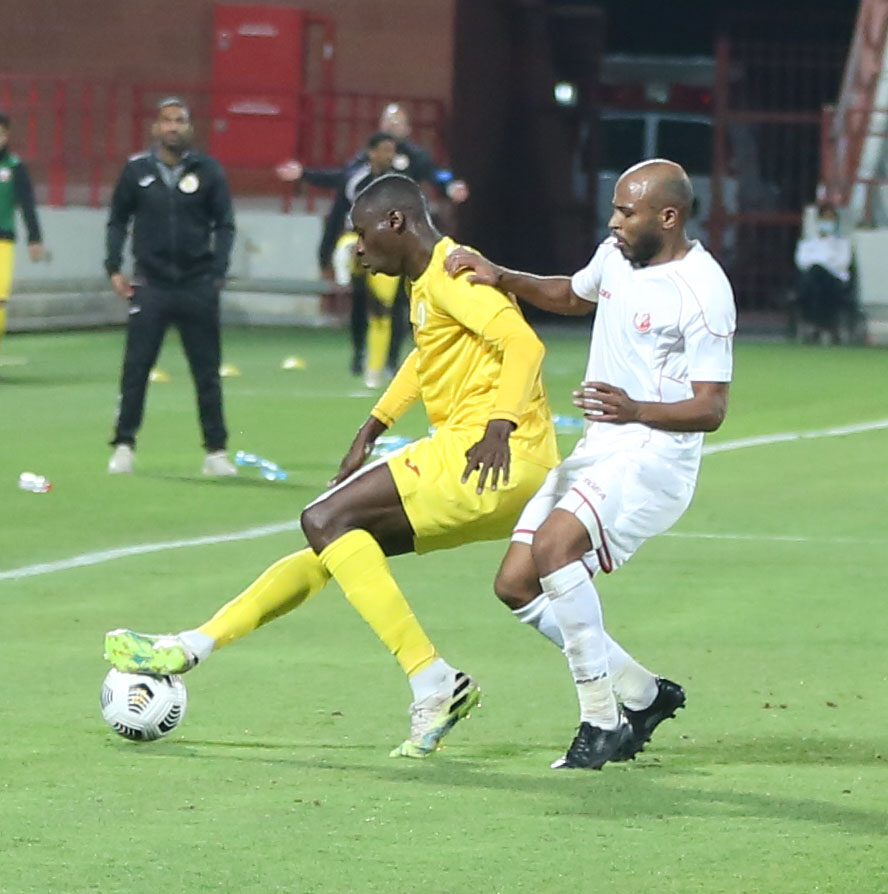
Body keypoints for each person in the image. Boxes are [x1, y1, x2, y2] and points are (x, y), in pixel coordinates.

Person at [104, 173, 560, 759]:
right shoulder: (429, 280)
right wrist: (372, 428)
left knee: (324, 519)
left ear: (396, 222)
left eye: (363, 235)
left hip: (485, 454)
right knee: (335, 547)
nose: (359, 251)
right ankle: (193, 645)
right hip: (508, 469)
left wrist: (499, 427)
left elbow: (525, 344)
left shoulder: (453, 274)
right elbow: (426, 360)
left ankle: (432, 679)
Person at [445, 158, 736, 770]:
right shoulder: (616, 256)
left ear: (668, 216)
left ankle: (600, 720)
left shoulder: (704, 289)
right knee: (515, 584)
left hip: (655, 456)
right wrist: (502, 277)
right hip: (602, 447)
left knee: (554, 548)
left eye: (626, 212)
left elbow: (711, 408)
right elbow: (575, 295)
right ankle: (644, 695)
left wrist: (635, 408)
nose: (613, 222)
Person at [277, 103, 470, 376]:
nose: (392, 127)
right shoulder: (360, 168)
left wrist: (450, 185)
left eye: (398, 122)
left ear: (407, 128)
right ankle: (359, 352)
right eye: (388, 121)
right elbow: (339, 185)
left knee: (397, 303)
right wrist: (305, 175)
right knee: (360, 297)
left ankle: (391, 359)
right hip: (365, 241)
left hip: (400, 241)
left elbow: (436, 174)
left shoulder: (414, 160)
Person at [104, 97, 237, 476]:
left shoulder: (208, 170)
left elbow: (225, 223)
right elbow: (117, 220)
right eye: (167, 120)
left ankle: (216, 452)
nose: (173, 127)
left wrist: (217, 271)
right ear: (156, 127)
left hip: (197, 285)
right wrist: (114, 266)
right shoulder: (137, 171)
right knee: (136, 368)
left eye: (180, 120)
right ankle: (124, 445)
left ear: (189, 127)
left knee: (207, 372)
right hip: (151, 284)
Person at [280, 132, 398, 378]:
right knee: (359, 293)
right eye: (385, 150)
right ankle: (359, 351)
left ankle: (384, 362)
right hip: (359, 243)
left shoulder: (400, 183)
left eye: (392, 150)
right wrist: (325, 253)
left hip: (389, 248)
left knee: (384, 307)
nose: (390, 155)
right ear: (372, 152)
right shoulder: (356, 179)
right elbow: (334, 193)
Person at [0, 112, 45, 359]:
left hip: (3, 240)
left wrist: (34, 238)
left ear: (6, 136)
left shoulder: (15, 167)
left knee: (0, 299)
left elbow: (27, 203)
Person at [793, 204, 854, 344]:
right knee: (814, 279)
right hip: (813, 281)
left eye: (830, 219)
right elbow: (802, 262)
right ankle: (817, 325)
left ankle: (817, 325)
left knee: (817, 273)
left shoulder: (842, 244)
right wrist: (825, 262)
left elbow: (842, 263)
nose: (827, 222)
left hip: (835, 282)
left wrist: (820, 263)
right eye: (825, 218)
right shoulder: (808, 243)